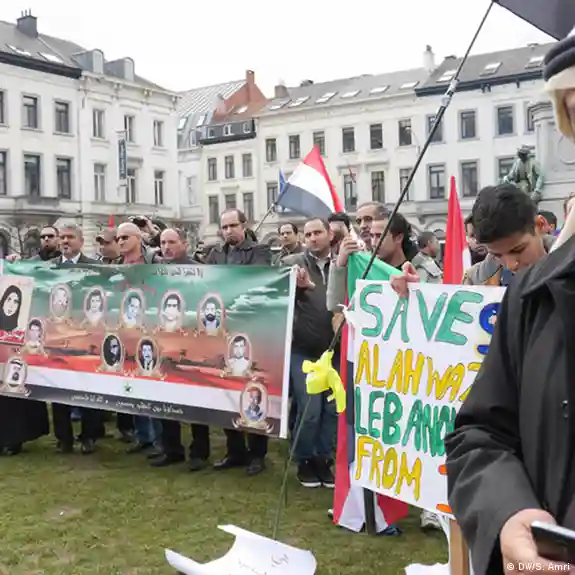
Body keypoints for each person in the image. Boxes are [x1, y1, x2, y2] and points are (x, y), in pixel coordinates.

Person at [206, 208, 272, 476]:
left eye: (233, 225)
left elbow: (255, 281)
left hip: (253, 329)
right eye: (224, 227)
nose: (228, 231)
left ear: (244, 226)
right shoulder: (215, 253)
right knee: (226, 389)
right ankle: (235, 450)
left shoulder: (260, 251)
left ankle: (257, 453)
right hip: (224, 330)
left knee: (253, 389)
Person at [283, 217, 338, 489]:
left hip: (335, 350)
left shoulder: (343, 264)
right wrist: (295, 288)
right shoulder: (292, 264)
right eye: (308, 234)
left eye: (318, 232)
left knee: (331, 409)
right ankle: (304, 458)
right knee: (309, 409)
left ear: (330, 234)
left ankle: (323, 459)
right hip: (303, 349)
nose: (313, 238)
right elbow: (276, 297)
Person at [150, 227, 209, 471]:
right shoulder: (156, 271)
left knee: (195, 400)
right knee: (165, 397)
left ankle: (199, 452)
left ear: (184, 244)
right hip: (163, 341)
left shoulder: (198, 271)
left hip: (190, 342)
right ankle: (172, 449)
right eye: (163, 242)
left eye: (171, 242)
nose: (166, 247)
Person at [49, 225, 104, 455]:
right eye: (62, 237)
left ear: (81, 242)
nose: (65, 241)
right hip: (58, 337)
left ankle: (89, 436)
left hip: (86, 336)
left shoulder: (95, 267)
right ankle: (64, 438)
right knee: (58, 390)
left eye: (70, 237)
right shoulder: (50, 267)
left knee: (87, 388)